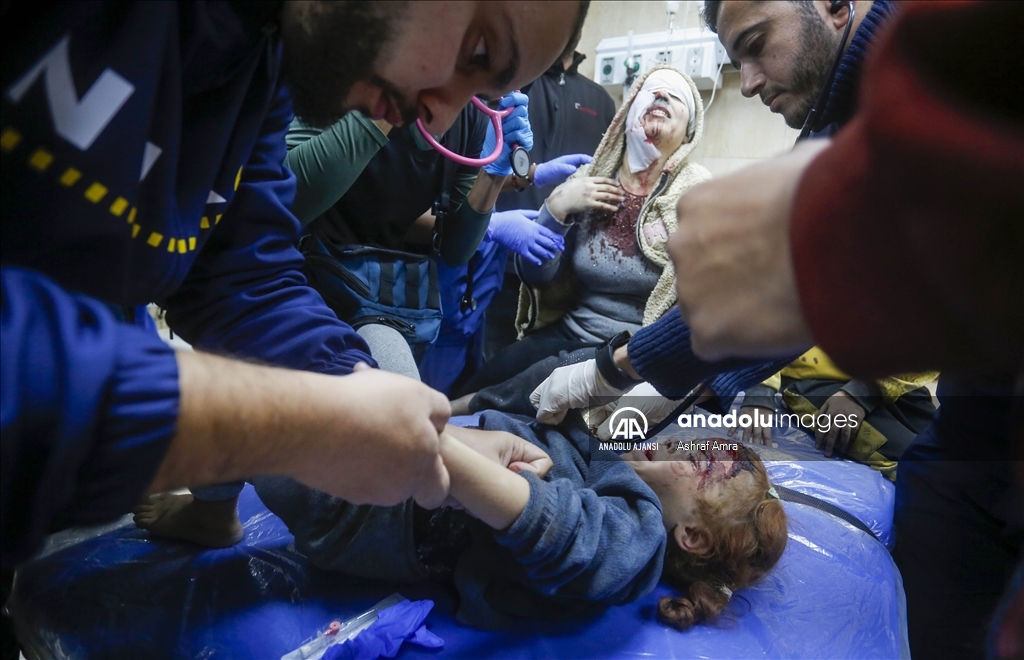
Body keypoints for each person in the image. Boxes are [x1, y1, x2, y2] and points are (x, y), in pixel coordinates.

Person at [1, 0, 591, 569]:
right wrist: (297, 423)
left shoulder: (262, 60)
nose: (437, 115)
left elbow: (244, 273)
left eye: (482, 93)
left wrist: (432, 448)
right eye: (478, 47)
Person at [539, 1, 1023, 656]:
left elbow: (804, 285)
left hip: (918, 398)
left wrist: (619, 369)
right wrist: (636, 373)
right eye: (734, 59)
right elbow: (778, 302)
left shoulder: (947, 55)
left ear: (833, 5)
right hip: (974, 415)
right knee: (935, 529)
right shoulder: (845, 121)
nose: (751, 78)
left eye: (758, 44)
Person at [252, 407, 787, 631]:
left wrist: (425, 438)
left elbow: (563, 530)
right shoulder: (611, 457)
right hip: (402, 458)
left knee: (237, 414)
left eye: (705, 466)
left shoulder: (636, 547)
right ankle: (210, 511)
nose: (689, 444)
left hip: (365, 506)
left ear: (691, 536)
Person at [453, 66, 711, 414]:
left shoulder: (699, 197)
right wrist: (556, 209)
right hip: (568, 332)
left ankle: (457, 413)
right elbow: (538, 277)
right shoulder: (587, 180)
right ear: (626, 115)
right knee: (494, 373)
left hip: (636, 354)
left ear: (690, 131)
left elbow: (725, 297)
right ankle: (451, 412)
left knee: (545, 379)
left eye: (675, 96)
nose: (661, 96)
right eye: (651, 91)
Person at [735, 354, 937, 479]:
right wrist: (760, 389)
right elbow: (767, 315)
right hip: (816, 384)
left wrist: (863, 390)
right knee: (920, 466)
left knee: (944, 457)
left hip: (894, 377)